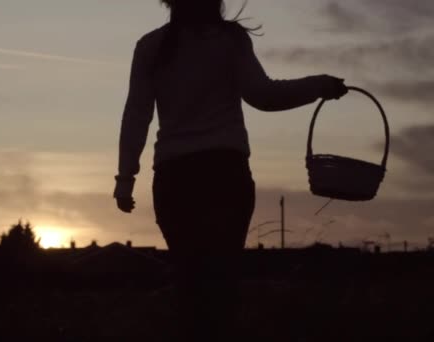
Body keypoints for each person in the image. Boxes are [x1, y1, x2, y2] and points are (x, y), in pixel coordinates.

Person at [113, 0, 348, 340]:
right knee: (221, 287)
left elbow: (136, 115)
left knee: (189, 286)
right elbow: (264, 95)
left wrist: (125, 178)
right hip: (224, 173)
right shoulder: (228, 40)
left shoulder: (151, 46)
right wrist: (319, 85)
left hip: (175, 178)